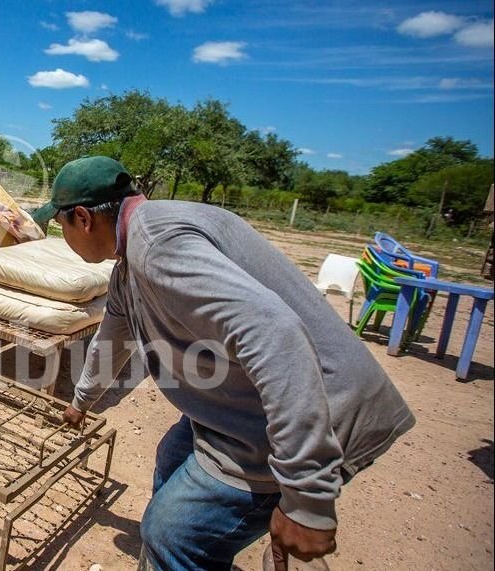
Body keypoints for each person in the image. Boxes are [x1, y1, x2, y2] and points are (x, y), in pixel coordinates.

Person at [31, 156, 415, 571]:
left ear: (84, 218)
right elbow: (112, 339)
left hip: (319, 409)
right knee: (173, 455)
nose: (63, 236)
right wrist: (80, 402)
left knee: (172, 534)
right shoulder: (132, 264)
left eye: (60, 225)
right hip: (248, 405)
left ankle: (178, 552)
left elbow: (275, 333)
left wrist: (306, 497)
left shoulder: (158, 246)